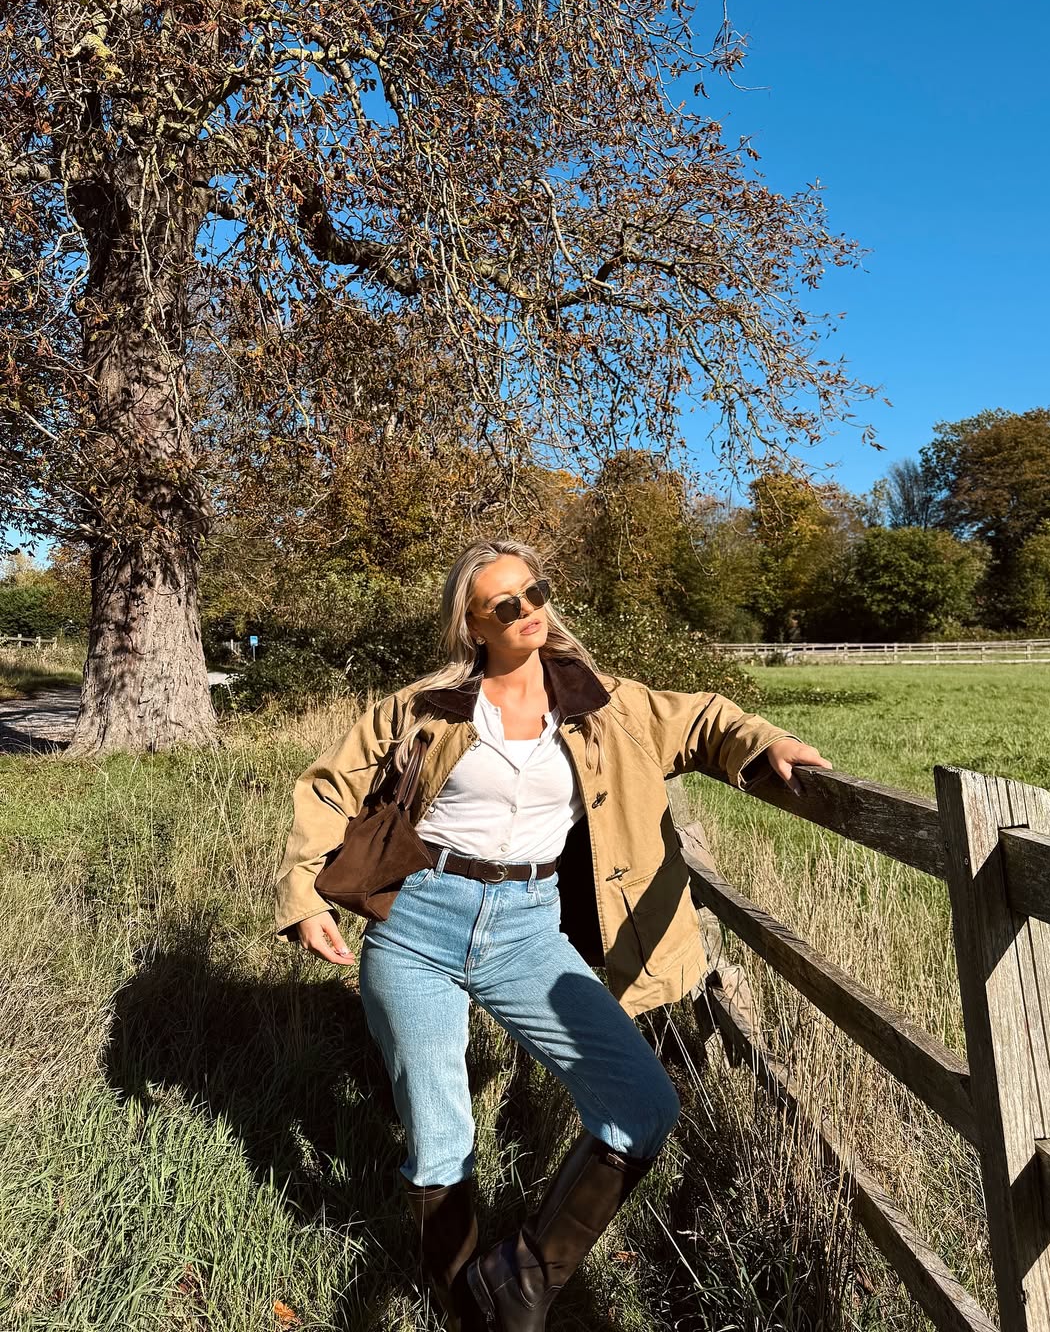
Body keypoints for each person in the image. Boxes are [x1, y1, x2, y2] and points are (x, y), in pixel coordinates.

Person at [273, 539, 831, 1331]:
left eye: (533, 591)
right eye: (505, 603)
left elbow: (704, 717)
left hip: (529, 929)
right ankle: (465, 1309)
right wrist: (302, 892)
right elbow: (332, 784)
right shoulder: (425, 709)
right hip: (418, 922)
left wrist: (762, 742)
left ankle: (524, 1280)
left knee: (642, 1104)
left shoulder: (605, 703)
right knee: (440, 1135)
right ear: (471, 624)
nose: (528, 610)